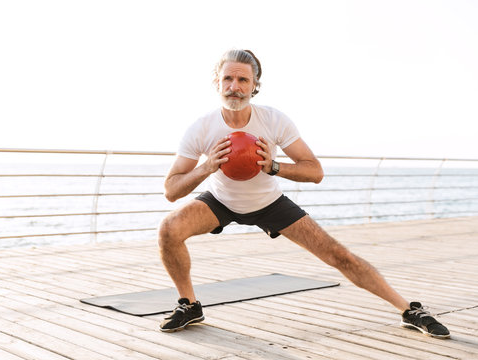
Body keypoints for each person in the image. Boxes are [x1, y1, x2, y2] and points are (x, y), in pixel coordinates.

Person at [157, 49, 450, 338]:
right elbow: (171, 189)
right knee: (169, 229)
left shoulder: (273, 120)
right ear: (217, 82)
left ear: (255, 85)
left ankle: (409, 310)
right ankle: (190, 304)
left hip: (269, 203)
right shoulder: (201, 128)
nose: (235, 87)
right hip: (220, 201)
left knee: (339, 255)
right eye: (228, 79)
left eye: (243, 80)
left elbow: (314, 171)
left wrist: (272, 166)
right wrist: (207, 167)